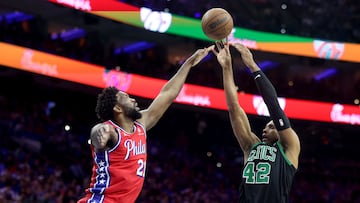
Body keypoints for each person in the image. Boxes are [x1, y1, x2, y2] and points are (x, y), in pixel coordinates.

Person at [77, 45, 214, 203]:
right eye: (127, 98)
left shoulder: (141, 124)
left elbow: (168, 94)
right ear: (117, 108)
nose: (133, 100)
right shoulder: (111, 131)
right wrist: (99, 132)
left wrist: (188, 63)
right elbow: (98, 133)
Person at [212, 42, 301, 203]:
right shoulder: (251, 146)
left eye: (272, 127)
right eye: (266, 126)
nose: (265, 130)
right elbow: (233, 108)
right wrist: (226, 68)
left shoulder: (289, 148)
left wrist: (252, 66)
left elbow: (273, 105)